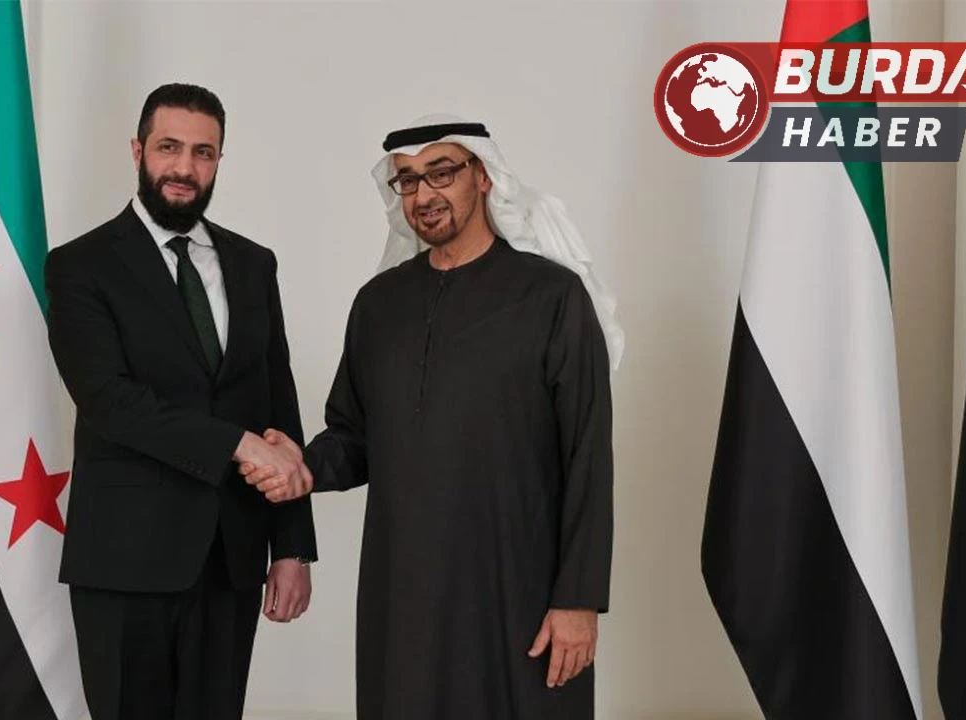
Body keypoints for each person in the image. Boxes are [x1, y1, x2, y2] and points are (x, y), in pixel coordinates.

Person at [243, 115, 624, 719]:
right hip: (406, 591)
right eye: (409, 180)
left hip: (519, 587)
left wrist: (578, 600)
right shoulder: (379, 304)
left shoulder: (552, 296)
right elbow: (355, 437)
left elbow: (588, 454)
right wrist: (302, 466)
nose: (424, 194)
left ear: (483, 176)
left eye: (441, 173)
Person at [44, 83, 317, 720]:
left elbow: (280, 410)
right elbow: (109, 400)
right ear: (138, 150)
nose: (184, 167)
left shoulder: (254, 265)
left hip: (232, 559)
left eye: (203, 152)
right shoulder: (79, 266)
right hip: (124, 561)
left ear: (219, 161)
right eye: (169, 147)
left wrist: (293, 547)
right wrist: (237, 445)